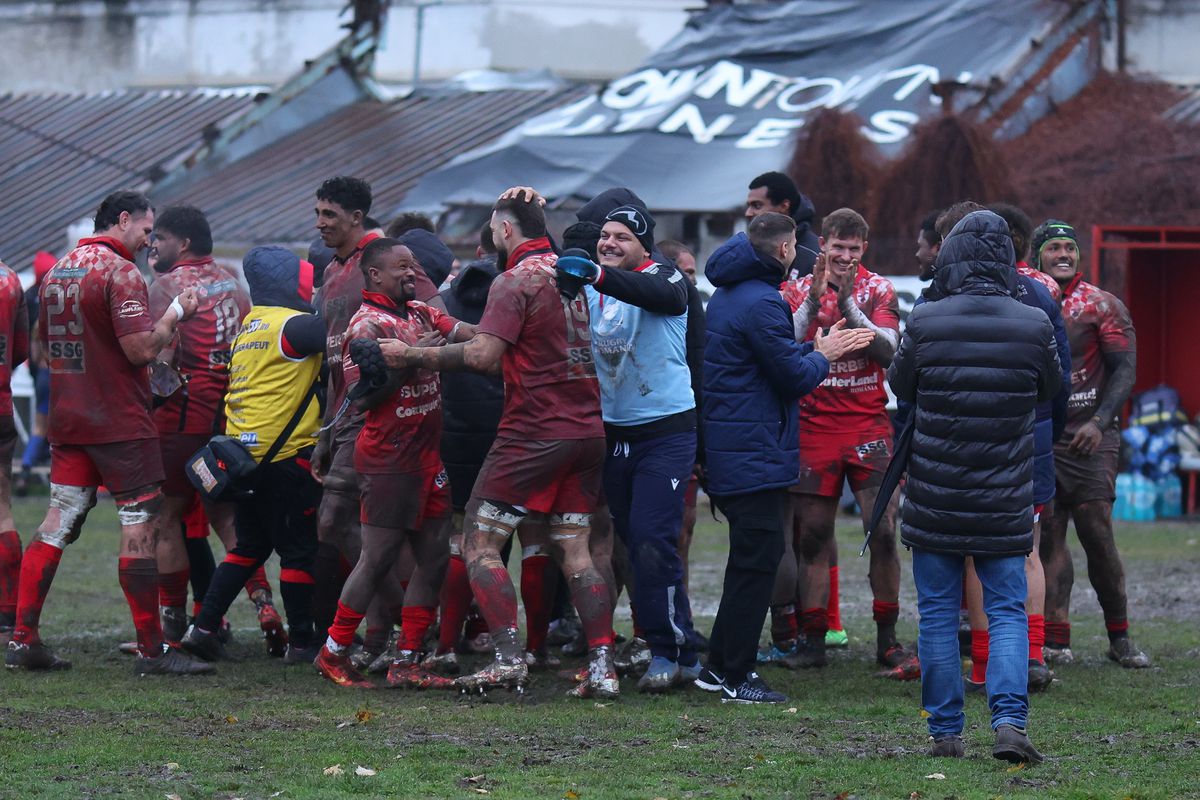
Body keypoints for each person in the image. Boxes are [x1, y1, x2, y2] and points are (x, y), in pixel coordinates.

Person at [378, 191, 618, 699]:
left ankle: (508, 660)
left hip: (533, 432)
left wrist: (410, 355)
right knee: (575, 549)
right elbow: (515, 347)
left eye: (492, 229)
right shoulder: (573, 275)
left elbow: (484, 357)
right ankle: (603, 666)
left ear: (505, 231)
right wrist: (451, 328)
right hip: (586, 431)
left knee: (479, 542)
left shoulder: (514, 280)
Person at [8, 190, 211, 676]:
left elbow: (42, 349)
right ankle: (152, 651)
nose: (148, 241)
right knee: (140, 521)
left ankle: (22, 638)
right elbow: (142, 350)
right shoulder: (119, 272)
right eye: (145, 230)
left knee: (56, 523)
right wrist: (176, 312)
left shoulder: (58, 271)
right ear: (122, 219)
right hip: (119, 422)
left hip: (69, 419)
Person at [888, 209, 1060, 763]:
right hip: (1004, 495)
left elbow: (901, 385)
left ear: (952, 256)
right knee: (1007, 610)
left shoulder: (926, 319)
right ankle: (1009, 724)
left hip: (935, 494)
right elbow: (1049, 390)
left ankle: (945, 733)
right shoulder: (1033, 322)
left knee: (938, 612)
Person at [697, 212, 872, 704]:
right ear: (783, 249)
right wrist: (825, 354)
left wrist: (806, 352)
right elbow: (792, 378)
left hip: (738, 446)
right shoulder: (762, 301)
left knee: (747, 561)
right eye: (796, 244)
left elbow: (767, 363)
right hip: (753, 450)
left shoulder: (732, 292)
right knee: (758, 563)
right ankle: (737, 675)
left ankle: (718, 667)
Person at [314, 238, 473, 689]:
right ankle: (333, 652)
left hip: (427, 457)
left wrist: (504, 332)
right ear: (374, 275)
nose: (410, 274)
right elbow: (361, 398)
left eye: (412, 266)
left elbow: (466, 332)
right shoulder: (366, 327)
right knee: (378, 557)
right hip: (389, 458)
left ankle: (407, 660)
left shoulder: (421, 312)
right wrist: (411, 360)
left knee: (435, 557)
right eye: (401, 267)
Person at [562, 204, 702, 693]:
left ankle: (667, 650)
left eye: (622, 236)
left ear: (644, 245)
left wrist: (595, 274)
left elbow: (663, 295)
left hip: (666, 431)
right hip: (615, 433)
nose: (609, 242)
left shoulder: (664, 275)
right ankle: (678, 647)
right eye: (605, 235)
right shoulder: (592, 286)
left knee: (651, 538)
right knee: (632, 544)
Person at [779, 208, 916, 677]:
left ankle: (887, 640)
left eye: (853, 250)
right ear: (823, 245)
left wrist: (848, 303)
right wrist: (814, 300)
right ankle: (813, 639)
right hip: (813, 427)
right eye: (838, 247)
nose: (844, 257)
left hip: (867, 427)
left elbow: (888, 351)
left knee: (884, 531)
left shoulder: (878, 289)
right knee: (813, 535)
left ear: (864, 250)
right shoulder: (796, 288)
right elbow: (782, 345)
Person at [145, 206, 285, 653]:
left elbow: (157, 362)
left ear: (183, 243)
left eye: (160, 238)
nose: (153, 245)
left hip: (180, 420)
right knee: (227, 517)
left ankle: (171, 628)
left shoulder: (167, 287)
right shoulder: (233, 283)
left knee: (165, 517)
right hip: (226, 419)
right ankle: (265, 605)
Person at [181, 246, 324, 665]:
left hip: (243, 460)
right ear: (291, 283)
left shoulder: (250, 325)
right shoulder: (296, 326)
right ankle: (302, 642)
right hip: (287, 460)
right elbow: (343, 330)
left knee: (248, 548)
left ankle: (203, 628)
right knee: (298, 553)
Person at [1034, 220, 1150, 669]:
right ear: (1038, 255)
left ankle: (1120, 636)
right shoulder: (1026, 300)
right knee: (1048, 536)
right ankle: (1055, 639)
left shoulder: (1101, 304)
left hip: (1091, 437)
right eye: (1054, 248)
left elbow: (1125, 370)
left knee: (1097, 532)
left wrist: (1100, 423)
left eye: (1070, 247)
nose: (1063, 254)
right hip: (1044, 435)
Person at [426, 241, 504, 673]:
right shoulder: (519, 296)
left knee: (458, 540)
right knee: (502, 540)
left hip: (453, 438)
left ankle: (446, 643)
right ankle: (515, 640)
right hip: (509, 435)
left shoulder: (445, 301)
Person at [0, 254, 29, 644]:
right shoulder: (9, 279)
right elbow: (20, 350)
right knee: (2, 511)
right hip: (1, 406)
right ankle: (7, 618)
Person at [14, 251, 56, 497]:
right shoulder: (59, 304)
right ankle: (31, 471)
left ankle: (28, 470)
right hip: (57, 375)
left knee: (42, 427)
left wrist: (34, 371)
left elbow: (30, 347)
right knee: (49, 428)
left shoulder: (30, 299)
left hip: (41, 373)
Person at [745, 171, 820, 279]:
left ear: (784, 206)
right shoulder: (747, 247)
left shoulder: (814, 257)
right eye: (748, 206)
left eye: (757, 205)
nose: (748, 213)